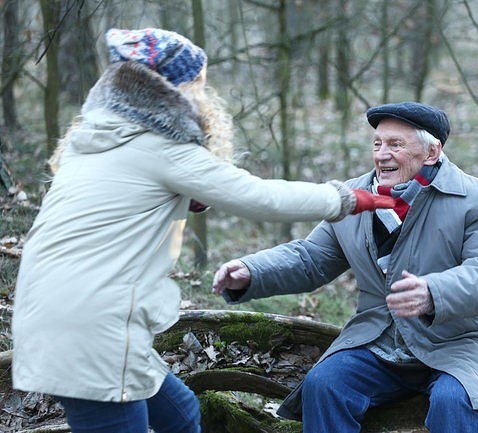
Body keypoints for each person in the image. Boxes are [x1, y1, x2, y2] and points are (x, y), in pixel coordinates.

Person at [11, 28, 394, 433]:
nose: (204, 95)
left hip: (55, 310)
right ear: (174, 89)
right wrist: (346, 199)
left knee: (180, 413)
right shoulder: (160, 147)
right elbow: (258, 197)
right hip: (95, 326)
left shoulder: (95, 139)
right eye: (200, 84)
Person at [213, 101, 478, 433]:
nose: (381, 154)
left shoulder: (475, 197)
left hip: (459, 341)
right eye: (377, 143)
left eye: (395, 145)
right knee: (325, 384)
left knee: (452, 401)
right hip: (379, 341)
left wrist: (434, 292)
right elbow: (310, 258)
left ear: (432, 153)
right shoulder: (353, 198)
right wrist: (251, 271)